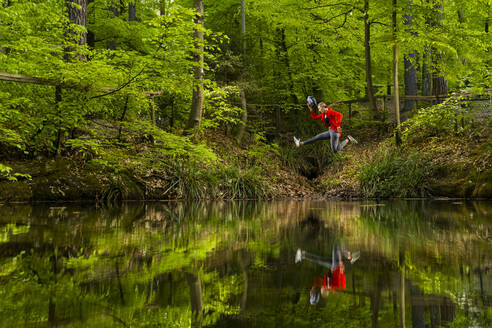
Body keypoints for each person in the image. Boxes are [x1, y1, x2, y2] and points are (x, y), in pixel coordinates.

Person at [293, 101, 358, 153]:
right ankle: (300, 143)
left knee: (335, 151)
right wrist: (310, 109)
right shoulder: (323, 114)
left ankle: (348, 139)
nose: (319, 110)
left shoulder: (330, 112)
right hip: (330, 131)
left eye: (319, 108)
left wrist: (338, 125)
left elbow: (340, 115)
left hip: (335, 132)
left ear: (323, 107)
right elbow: (314, 117)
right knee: (317, 137)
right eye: (318, 109)